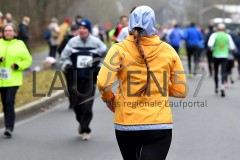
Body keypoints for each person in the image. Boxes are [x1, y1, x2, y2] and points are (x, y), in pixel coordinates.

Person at [97, 6, 187, 160]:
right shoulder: (168, 50)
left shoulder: (118, 49)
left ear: (130, 24)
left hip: (126, 124)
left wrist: (109, 98)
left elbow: (103, 83)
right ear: (154, 24)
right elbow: (181, 90)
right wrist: (159, 87)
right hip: (159, 124)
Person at [60, 19, 107, 140]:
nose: (81, 30)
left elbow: (106, 56)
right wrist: (67, 66)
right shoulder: (72, 42)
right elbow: (63, 58)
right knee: (76, 104)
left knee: (86, 104)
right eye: (80, 28)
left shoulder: (97, 43)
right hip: (75, 78)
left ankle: (85, 129)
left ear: (89, 30)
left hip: (89, 78)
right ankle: (81, 123)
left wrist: (99, 68)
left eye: (84, 28)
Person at [0, 23, 32, 137]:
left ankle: (9, 127)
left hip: (13, 80)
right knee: (4, 103)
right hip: (1, 80)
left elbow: (28, 60)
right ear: (3, 33)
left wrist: (18, 65)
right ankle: (8, 123)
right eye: (6, 31)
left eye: (10, 31)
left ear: (14, 33)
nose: (8, 33)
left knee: (9, 101)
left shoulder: (20, 44)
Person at [208, 23, 236, 97]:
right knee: (223, 72)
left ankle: (216, 87)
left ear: (217, 28)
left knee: (216, 72)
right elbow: (232, 47)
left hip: (216, 55)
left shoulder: (214, 35)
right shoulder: (227, 36)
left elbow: (210, 45)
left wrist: (213, 49)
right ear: (224, 29)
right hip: (224, 56)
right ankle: (222, 87)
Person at [57, 24, 79, 109]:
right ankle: (72, 102)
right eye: (73, 31)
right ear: (71, 31)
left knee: (77, 83)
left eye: (76, 31)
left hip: (77, 66)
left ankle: (77, 101)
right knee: (70, 84)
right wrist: (66, 57)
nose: (74, 33)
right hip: (68, 66)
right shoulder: (66, 39)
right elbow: (59, 50)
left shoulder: (80, 40)